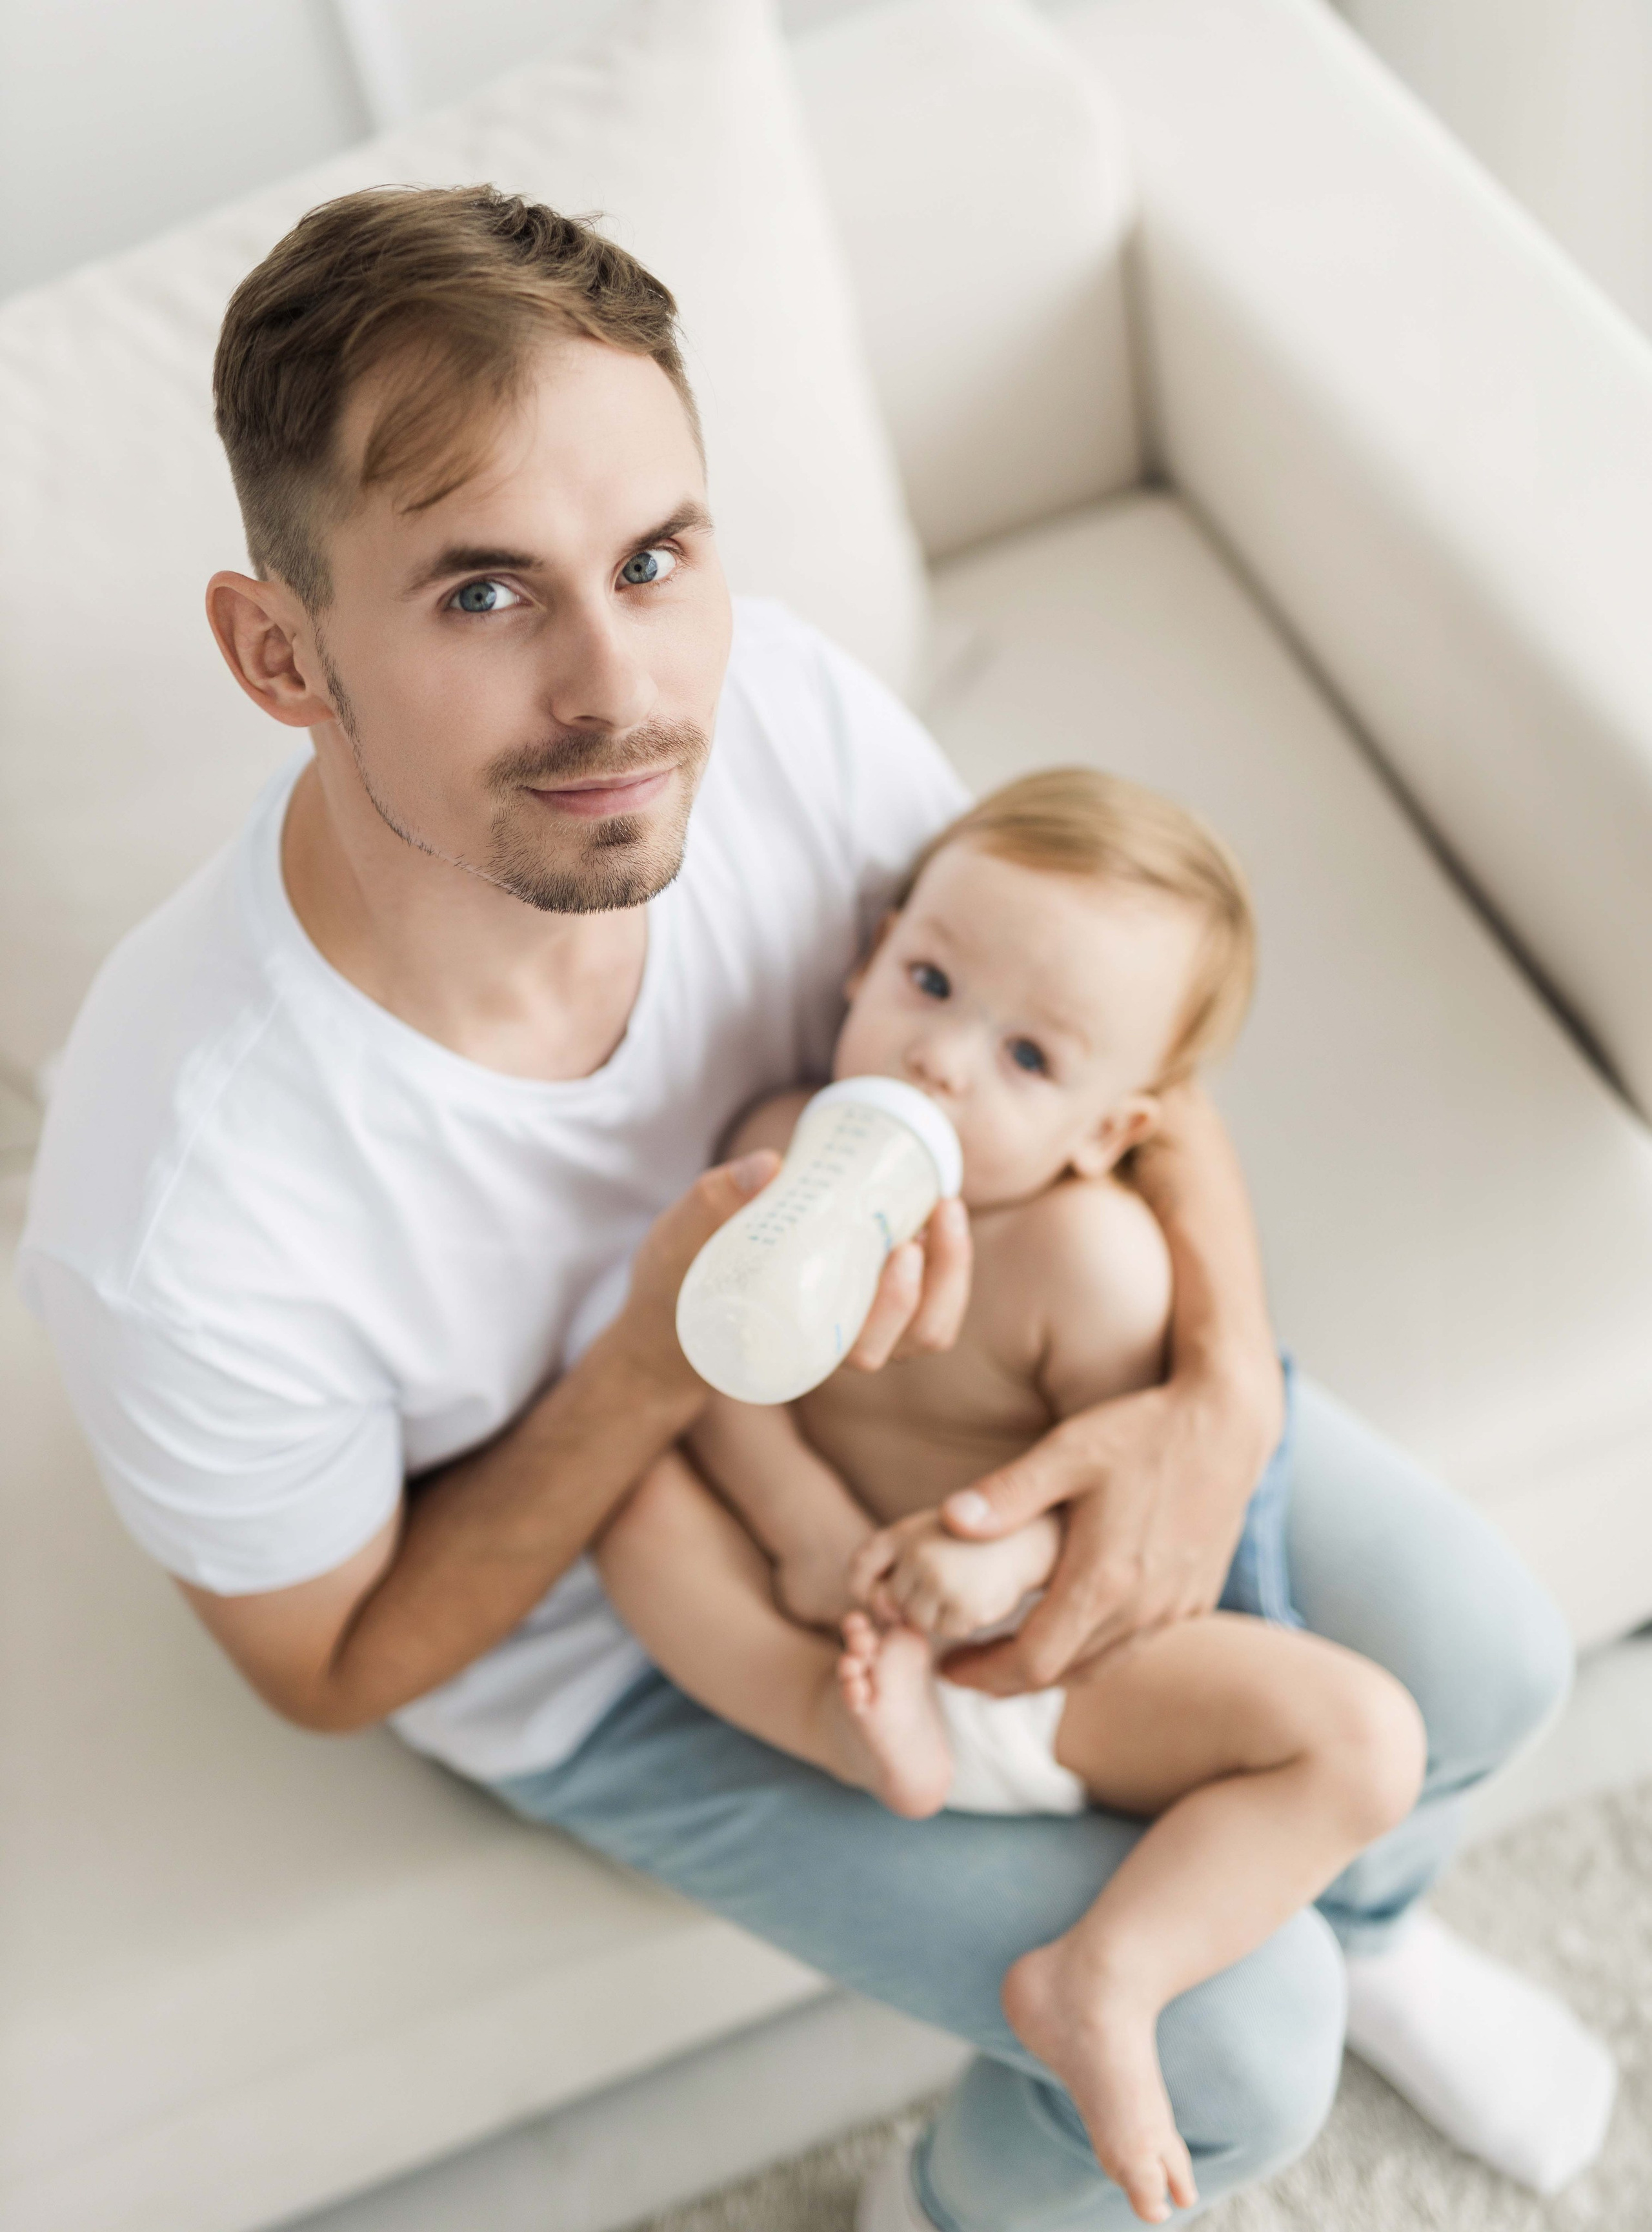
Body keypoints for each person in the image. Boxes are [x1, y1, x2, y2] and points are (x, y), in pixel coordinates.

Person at [16, 185, 1609, 2229]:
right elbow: (333, 1662)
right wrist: (656, 1358)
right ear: (279, 652)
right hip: (614, 1616)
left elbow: (1106, 1024)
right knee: (1230, 2053)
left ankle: (1372, 1922)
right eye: (487, 596)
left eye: (658, 559)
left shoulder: (770, 717)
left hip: (957, 1415)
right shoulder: (182, 1196)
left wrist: (1206, 1395)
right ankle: (949, 2208)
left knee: (1480, 1668)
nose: (625, 690)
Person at [595, 767, 1431, 2224]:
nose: (940, 1065)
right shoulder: (785, 1142)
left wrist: (995, 1561)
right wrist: (805, 1533)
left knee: (1366, 1739)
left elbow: (1115, 1487)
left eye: (1030, 1060)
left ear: (1115, 1131)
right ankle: (843, 1726)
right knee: (627, 1505)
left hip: (1042, 1657)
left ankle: (1104, 1974)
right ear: (865, 959)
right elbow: (716, 1371)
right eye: (926, 983)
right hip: (835, 1627)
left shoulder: (1091, 1259)